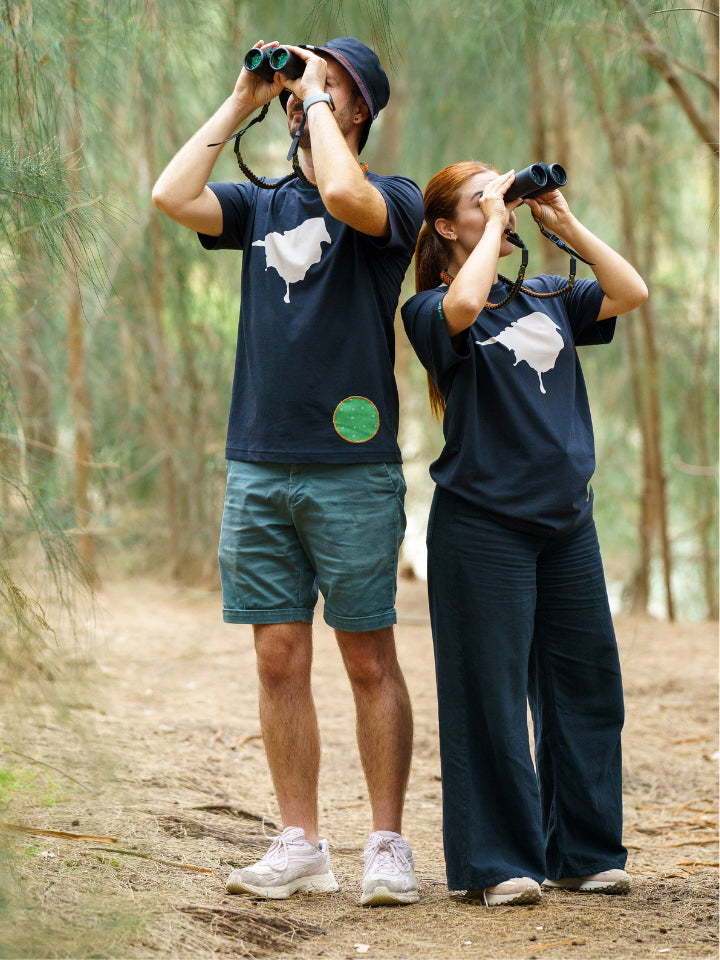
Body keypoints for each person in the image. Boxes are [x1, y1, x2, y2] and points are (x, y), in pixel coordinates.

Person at [152, 37, 423, 906]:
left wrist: (310, 98)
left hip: (352, 469)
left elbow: (342, 193)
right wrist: (244, 97)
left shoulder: (394, 200)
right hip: (259, 463)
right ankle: (300, 842)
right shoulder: (259, 205)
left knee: (368, 660)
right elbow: (171, 196)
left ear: (360, 109)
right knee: (277, 659)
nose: (307, 93)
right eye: (303, 81)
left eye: (330, 85)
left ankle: (387, 843)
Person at [401, 161, 648, 907]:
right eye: (481, 200)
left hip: (568, 523)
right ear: (445, 227)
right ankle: (497, 862)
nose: (500, 208)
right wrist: (495, 225)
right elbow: (464, 303)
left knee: (585, 688)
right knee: (491, 696)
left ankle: (582, 851)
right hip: (482, 525)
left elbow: (630, 291)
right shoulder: (430, 307)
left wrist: (563, 223)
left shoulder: (547, 294)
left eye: (502, 195)